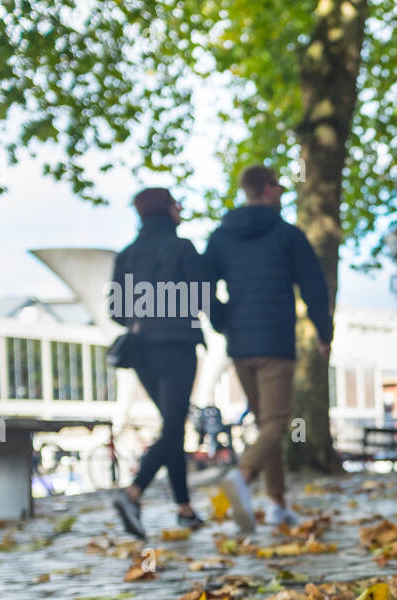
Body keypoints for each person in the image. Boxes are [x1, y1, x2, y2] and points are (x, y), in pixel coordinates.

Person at [204, 165, 333, 532]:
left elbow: (203, 285)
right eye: (278, 185)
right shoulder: (286, 234)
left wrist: (223, 320)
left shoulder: (221, 236)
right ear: (266, 189)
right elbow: (313, 285)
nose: (283, 191)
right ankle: (241, 479)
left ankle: (276, 503)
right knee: (277, 423)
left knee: (267, 425)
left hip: (240, 343)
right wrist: (325, 332)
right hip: (275, 342)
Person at [111, 188, 208, 539]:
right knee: (172, 427)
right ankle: (133, 492)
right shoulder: (182, 249)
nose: (180, 207)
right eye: (175, 203)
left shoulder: (127, 255)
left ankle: (184, 508)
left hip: (142, 350)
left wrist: (144, 311)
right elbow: (201, 293)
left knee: (172, 426)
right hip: (177, 345)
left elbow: (116, 311)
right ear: (166, 209)